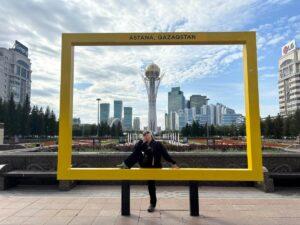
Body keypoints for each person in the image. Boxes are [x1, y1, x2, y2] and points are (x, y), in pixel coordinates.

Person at [116, 130, 179, 212]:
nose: (146, 135)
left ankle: (152, 204)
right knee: (137, 153)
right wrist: (141, 141)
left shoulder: (158, 144)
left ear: (151, 135)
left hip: (154, 167)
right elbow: (135, 150)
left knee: (151, 185)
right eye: (144, 135)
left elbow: (165, 155)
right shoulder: (143, 144)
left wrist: (173, 163)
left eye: (147, 134)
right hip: (145, 165)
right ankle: (126, 165)